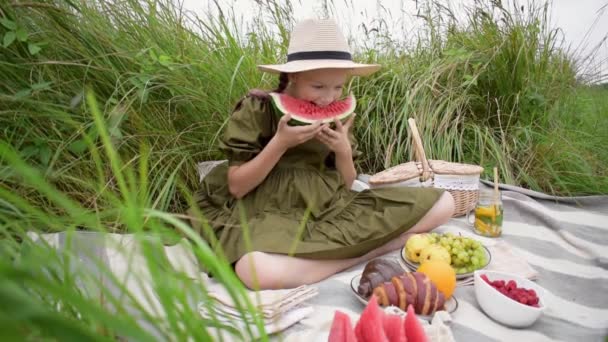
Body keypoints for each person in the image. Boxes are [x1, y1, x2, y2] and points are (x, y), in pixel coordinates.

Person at [189, 18, 454, 290]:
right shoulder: (259, 107)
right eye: (318, 87)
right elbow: (236, 186)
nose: (328, 98)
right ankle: (372, 250)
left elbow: (349, 182)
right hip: (267, 208)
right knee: (255, 270)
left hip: (327, 204)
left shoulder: (339, 112)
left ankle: (332, 259)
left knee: (445, 202)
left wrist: (342, 150)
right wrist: (279, 144)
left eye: (338, 87)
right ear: (292, 76)